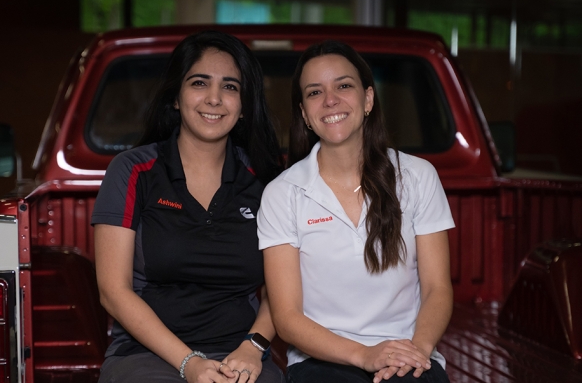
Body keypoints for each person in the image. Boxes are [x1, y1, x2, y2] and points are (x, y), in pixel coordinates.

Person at [92, 30, 285, 383]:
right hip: (146, 355)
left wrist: (253, 347)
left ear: (243, 105)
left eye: (230, 87)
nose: (214, 99)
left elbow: (284, 288)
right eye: (199, 83)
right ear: (176, 98)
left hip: (240, 353)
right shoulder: (133, 170)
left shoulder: (268, 180)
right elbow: (112, 291)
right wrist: (189, 363)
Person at [257, 40, 454, 383]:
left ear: (368, 99)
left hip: (410, 351)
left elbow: (438, 287)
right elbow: (287, 317)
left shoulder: (418, 177)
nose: (330, 99)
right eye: (314, 92)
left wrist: (417, 350)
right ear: (304, 113)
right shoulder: (282, 193)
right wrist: (364, 355)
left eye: (343, 86)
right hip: (322, 359)